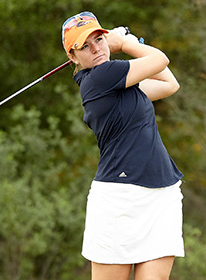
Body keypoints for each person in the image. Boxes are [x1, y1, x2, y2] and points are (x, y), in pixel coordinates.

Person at [62, 12, 184, 280]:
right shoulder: (100, 77)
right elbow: (160, 59)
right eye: (85, 46)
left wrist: (121, 43)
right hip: (120, 201)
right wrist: (124, 43)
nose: (96, 48)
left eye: (99, 39)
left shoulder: (123, 83)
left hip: (162, 195)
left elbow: (169, 83)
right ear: (73, 57)